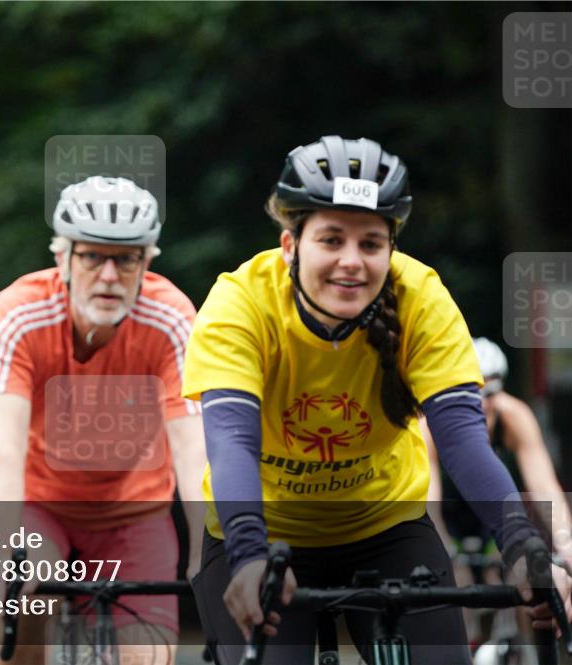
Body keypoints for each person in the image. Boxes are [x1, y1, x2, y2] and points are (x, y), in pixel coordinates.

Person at [182, 136, 566, 665]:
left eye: (370, 243)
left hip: (386, 528)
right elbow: (230, 445)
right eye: (331, 239)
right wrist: (248, 556)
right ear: (291, 246)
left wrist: (523, 547)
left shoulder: (421, 298)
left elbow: (464, 444)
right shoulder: (240, 302)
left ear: (391, 249)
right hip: (260, 531)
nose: (351, 262)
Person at [0, 176, 208, 665]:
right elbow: (5, 451)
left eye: (127, 259)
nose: (110, 276)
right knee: (27, 600)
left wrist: (212, 552)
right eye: (93, 257)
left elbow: (195, 451)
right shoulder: (19, 314)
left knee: (149, 654)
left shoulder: (172, 318)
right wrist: (10, 551)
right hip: (33, 498)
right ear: (63, 259)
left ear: (147, 262)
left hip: (131, 508)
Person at [425, 337, 572, 644]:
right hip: (449, 510)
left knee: (521, 576)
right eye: (473, 392)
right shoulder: (430, 426)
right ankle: (470, 643)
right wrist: (444, 551)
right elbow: (428, 502)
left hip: (496, 510)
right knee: (456, 578)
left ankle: (521, 647)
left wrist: (566, 543)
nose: (482, 402)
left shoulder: (514, 415)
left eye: (491, 392)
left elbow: (545, 487)